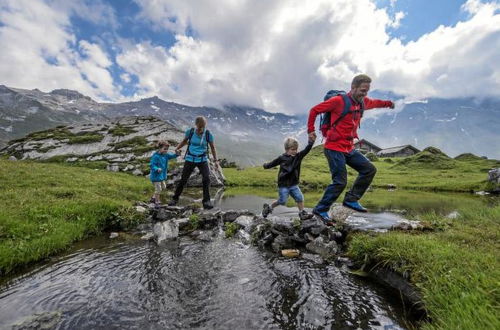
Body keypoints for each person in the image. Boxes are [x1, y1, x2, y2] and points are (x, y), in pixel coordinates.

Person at [307, 74, 394, 223]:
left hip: (348, 148)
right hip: (333, 147)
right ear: (353, 88)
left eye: (366, 91)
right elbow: (314, 110)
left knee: (369, 169)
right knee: (340, 181)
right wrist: (311, 131)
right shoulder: (338, 101)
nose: (364, 94)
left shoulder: (363, 102)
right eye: (362, 90)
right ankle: (320, 209)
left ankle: (351, 199)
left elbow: (375, 102)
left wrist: (388, 103)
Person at [169, 116, 219, 209]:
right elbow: (184, 141)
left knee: (206, 178)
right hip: (190, 159)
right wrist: (177, 148)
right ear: (196, 125)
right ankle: (175, 199)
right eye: (200, 126)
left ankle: (206, 201)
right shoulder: (190, 132)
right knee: (183, 179)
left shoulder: (208, 134)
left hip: (202, 159)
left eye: (203, 126)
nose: (201, 129)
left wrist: (216, 161)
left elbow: (212, 147)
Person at [262, 136, 316, 220]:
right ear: (287, 149)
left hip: (294, 184)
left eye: (296, 149)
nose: (295, 151)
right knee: (282, 201)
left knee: (299, 197)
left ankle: (302, 213)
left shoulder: (298, 156)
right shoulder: (281, 158)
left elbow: (306, 150)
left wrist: (311, 143)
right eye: (293, 149)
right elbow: (273, 163)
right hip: (283, 184)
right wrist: (266, 166)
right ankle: (269, 208)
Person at [149, 141, 179, 205]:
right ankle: (157, 201)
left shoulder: (166, 155)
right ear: (160, 148)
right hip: (156, 176)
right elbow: (152, 165)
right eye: (164, 149)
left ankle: (153, 197)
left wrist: (177, 154)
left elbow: (172, 156)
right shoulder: (156, 156)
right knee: (159, 189)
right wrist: (157, 169)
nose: (166, 151)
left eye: (167, 149)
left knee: (163, 187)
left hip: (161, 176)